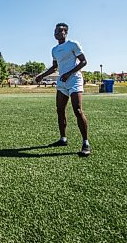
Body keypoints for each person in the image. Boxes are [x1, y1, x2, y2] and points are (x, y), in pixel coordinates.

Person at [35, 23, 90, 156]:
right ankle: (63, 138)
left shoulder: (72, 44)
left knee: (77, 110)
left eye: (60, 31)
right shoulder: (54, 50)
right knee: (60, 110)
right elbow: (54, 67)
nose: (57, 33)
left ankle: (86, 143)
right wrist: (41, 75)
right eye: (55, 31)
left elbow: (83, 62)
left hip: (74, 79)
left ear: (66, 32)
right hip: (62, 82)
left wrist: (68, 74)